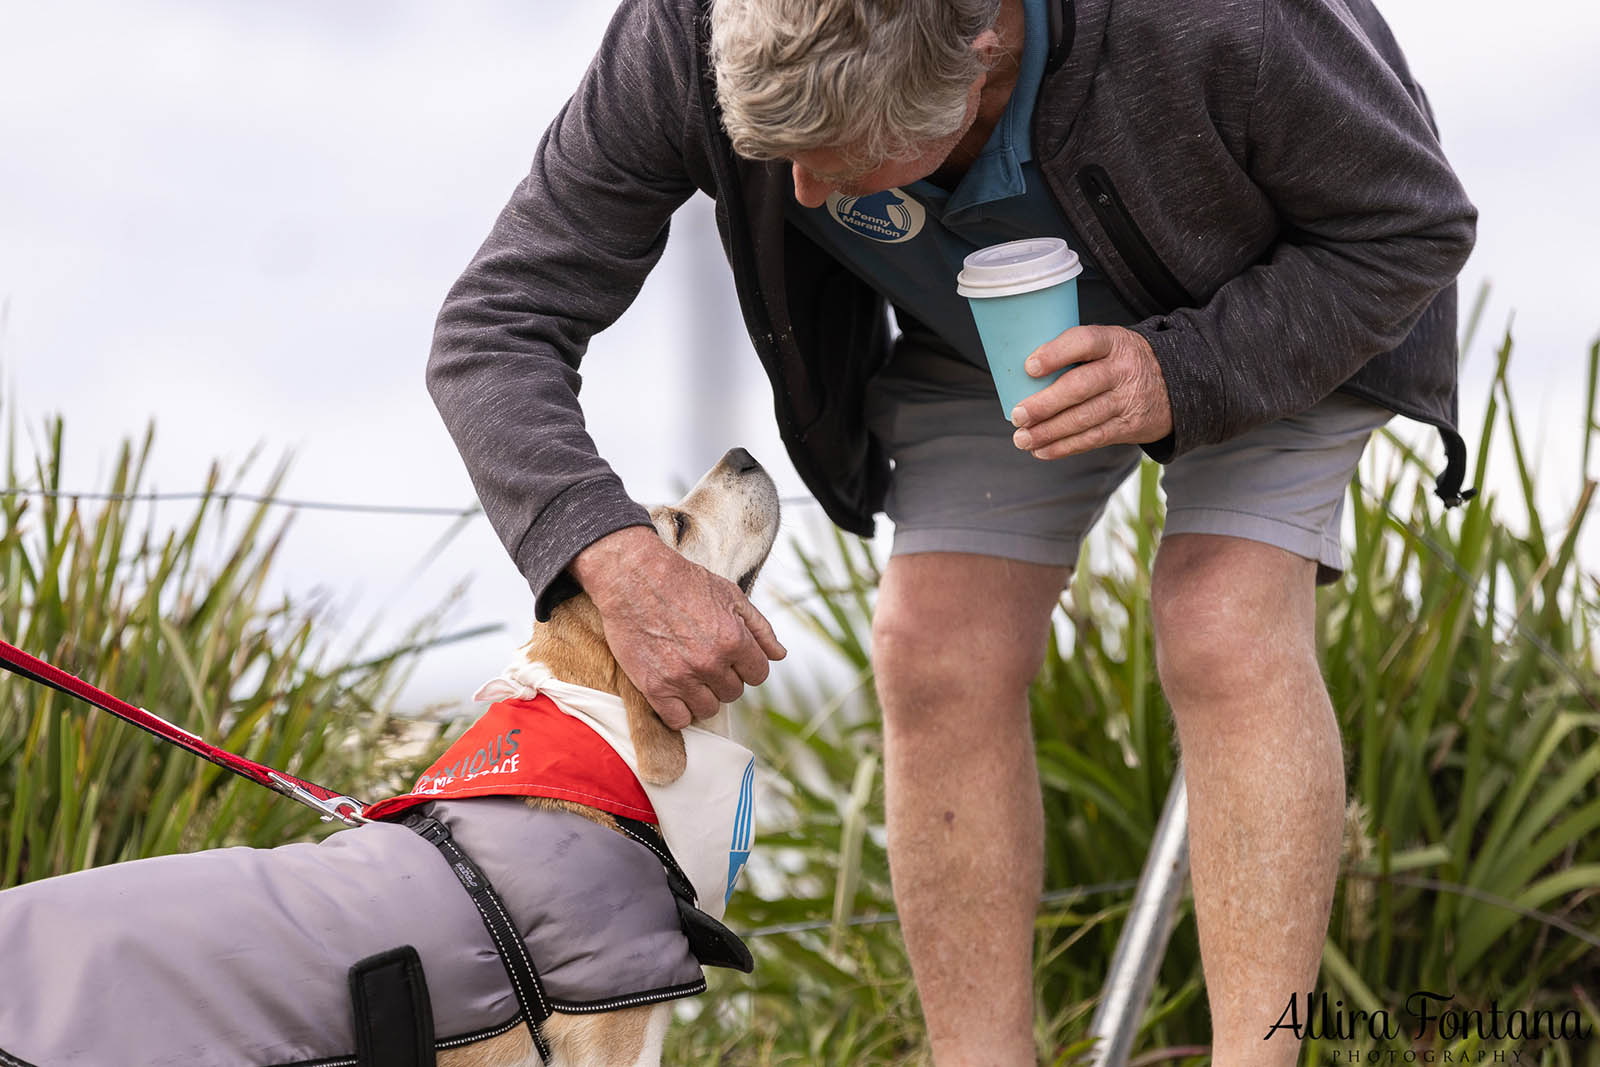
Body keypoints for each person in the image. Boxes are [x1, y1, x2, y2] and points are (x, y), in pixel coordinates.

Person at [426, 0, 1476, 1061]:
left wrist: (1182, 372)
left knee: (1219, 623)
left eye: (839, 155)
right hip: (978, 325)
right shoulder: (685, 31)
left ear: (983, 57)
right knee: (933, 648)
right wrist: (611, 554)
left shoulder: (1228, 24)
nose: (799, 195)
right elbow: (494, 322)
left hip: (1279, 291)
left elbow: (1412, 225)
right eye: (778, 153)